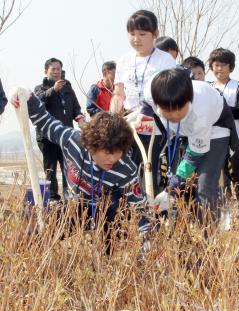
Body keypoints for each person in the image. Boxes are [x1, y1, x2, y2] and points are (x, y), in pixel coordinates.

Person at [11, 88, 150, 252]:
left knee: (114, 214)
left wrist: (147, 240)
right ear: (92, 145)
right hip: (75, 206)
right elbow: (46, 123)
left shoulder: (126, 169)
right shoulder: (72, 141)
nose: (112, 159)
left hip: (106, 211)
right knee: (42, 235)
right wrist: (28, 98)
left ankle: (107, 256)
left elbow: (139, 207)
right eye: (107, 153)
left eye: (118, 152)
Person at [146, 68, 238, 225]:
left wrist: (173, 185)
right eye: (168, 111)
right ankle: (183, 235)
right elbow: (146, 108)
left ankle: (208, 238)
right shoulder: (150, 93)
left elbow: (194, 155)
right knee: (181, 185)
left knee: (204, 184)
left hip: (215, 128)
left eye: (179, 110)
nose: (174, 115)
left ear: (189, 101)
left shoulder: (200, 113)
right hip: (185, 132)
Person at [110, 10, 177, 195]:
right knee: (122, 166)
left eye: (142, 34)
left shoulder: (165, 61)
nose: (136, 39)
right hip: (128, 120)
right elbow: (119, 92)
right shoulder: (124, 61)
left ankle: (150, 208)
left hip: (153, 122)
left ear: (155, 34)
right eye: (132, 34)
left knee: (147, 167)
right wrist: (113, 113)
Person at [34, 58, 84, 202]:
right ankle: (52, 198)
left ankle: (69, 196)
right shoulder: (40, 88)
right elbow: (38, 102)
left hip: (66, 135)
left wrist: (80, 118)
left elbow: (75, 106)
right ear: (46, 71)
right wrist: (53, 90)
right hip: (47, 136)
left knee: (68, 167)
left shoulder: (68, 87)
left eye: (58, 69)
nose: (56, 72)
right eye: (53, 69)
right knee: (50, 168)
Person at [207, 48, 239, 216]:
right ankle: (224, 215)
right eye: (216, 65)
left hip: (236, 139)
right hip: (213, 140)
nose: (219, 69)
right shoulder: (207, 87)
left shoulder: (238, 86)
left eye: (223, 65)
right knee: (219, 180)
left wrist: (218, 111)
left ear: (230, 67)